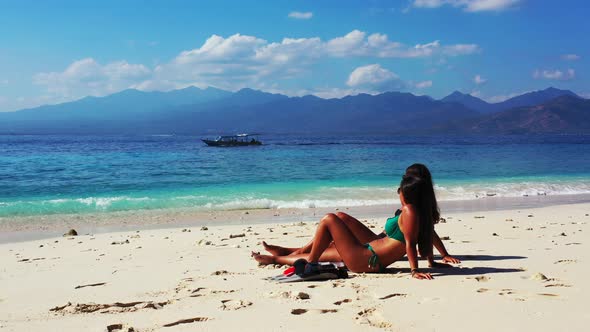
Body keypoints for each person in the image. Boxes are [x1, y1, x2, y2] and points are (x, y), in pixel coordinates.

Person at [257, 164, 460, 269]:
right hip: (368, 253)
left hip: (368, 258)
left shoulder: (409, 211)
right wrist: (435, 260)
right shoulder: (416, 213)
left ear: (408, 192)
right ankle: (280, 257)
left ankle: (308, 264)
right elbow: (423, 237)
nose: (398, 192)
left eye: (400, 190)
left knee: (330, 219)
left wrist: (417, 269)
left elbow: (411, 243)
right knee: (333, 241)